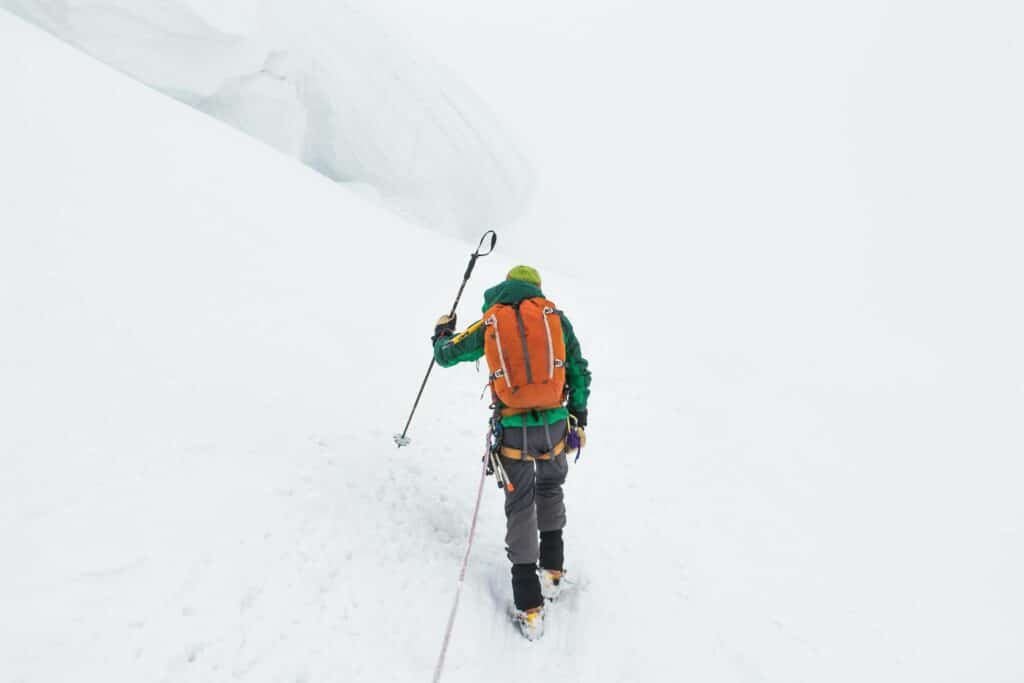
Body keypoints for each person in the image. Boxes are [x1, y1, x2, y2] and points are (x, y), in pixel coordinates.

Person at [431, 265, 591, 640]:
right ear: (536, 288)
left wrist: (442, 333)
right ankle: (552, 574)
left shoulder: (491, 321)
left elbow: (447, 355)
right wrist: (578, 414)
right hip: (555, 425)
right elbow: (578, 369)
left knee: (521, 505)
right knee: (551, 489)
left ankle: (529, 607)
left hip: (513, 430)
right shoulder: (556, 318)